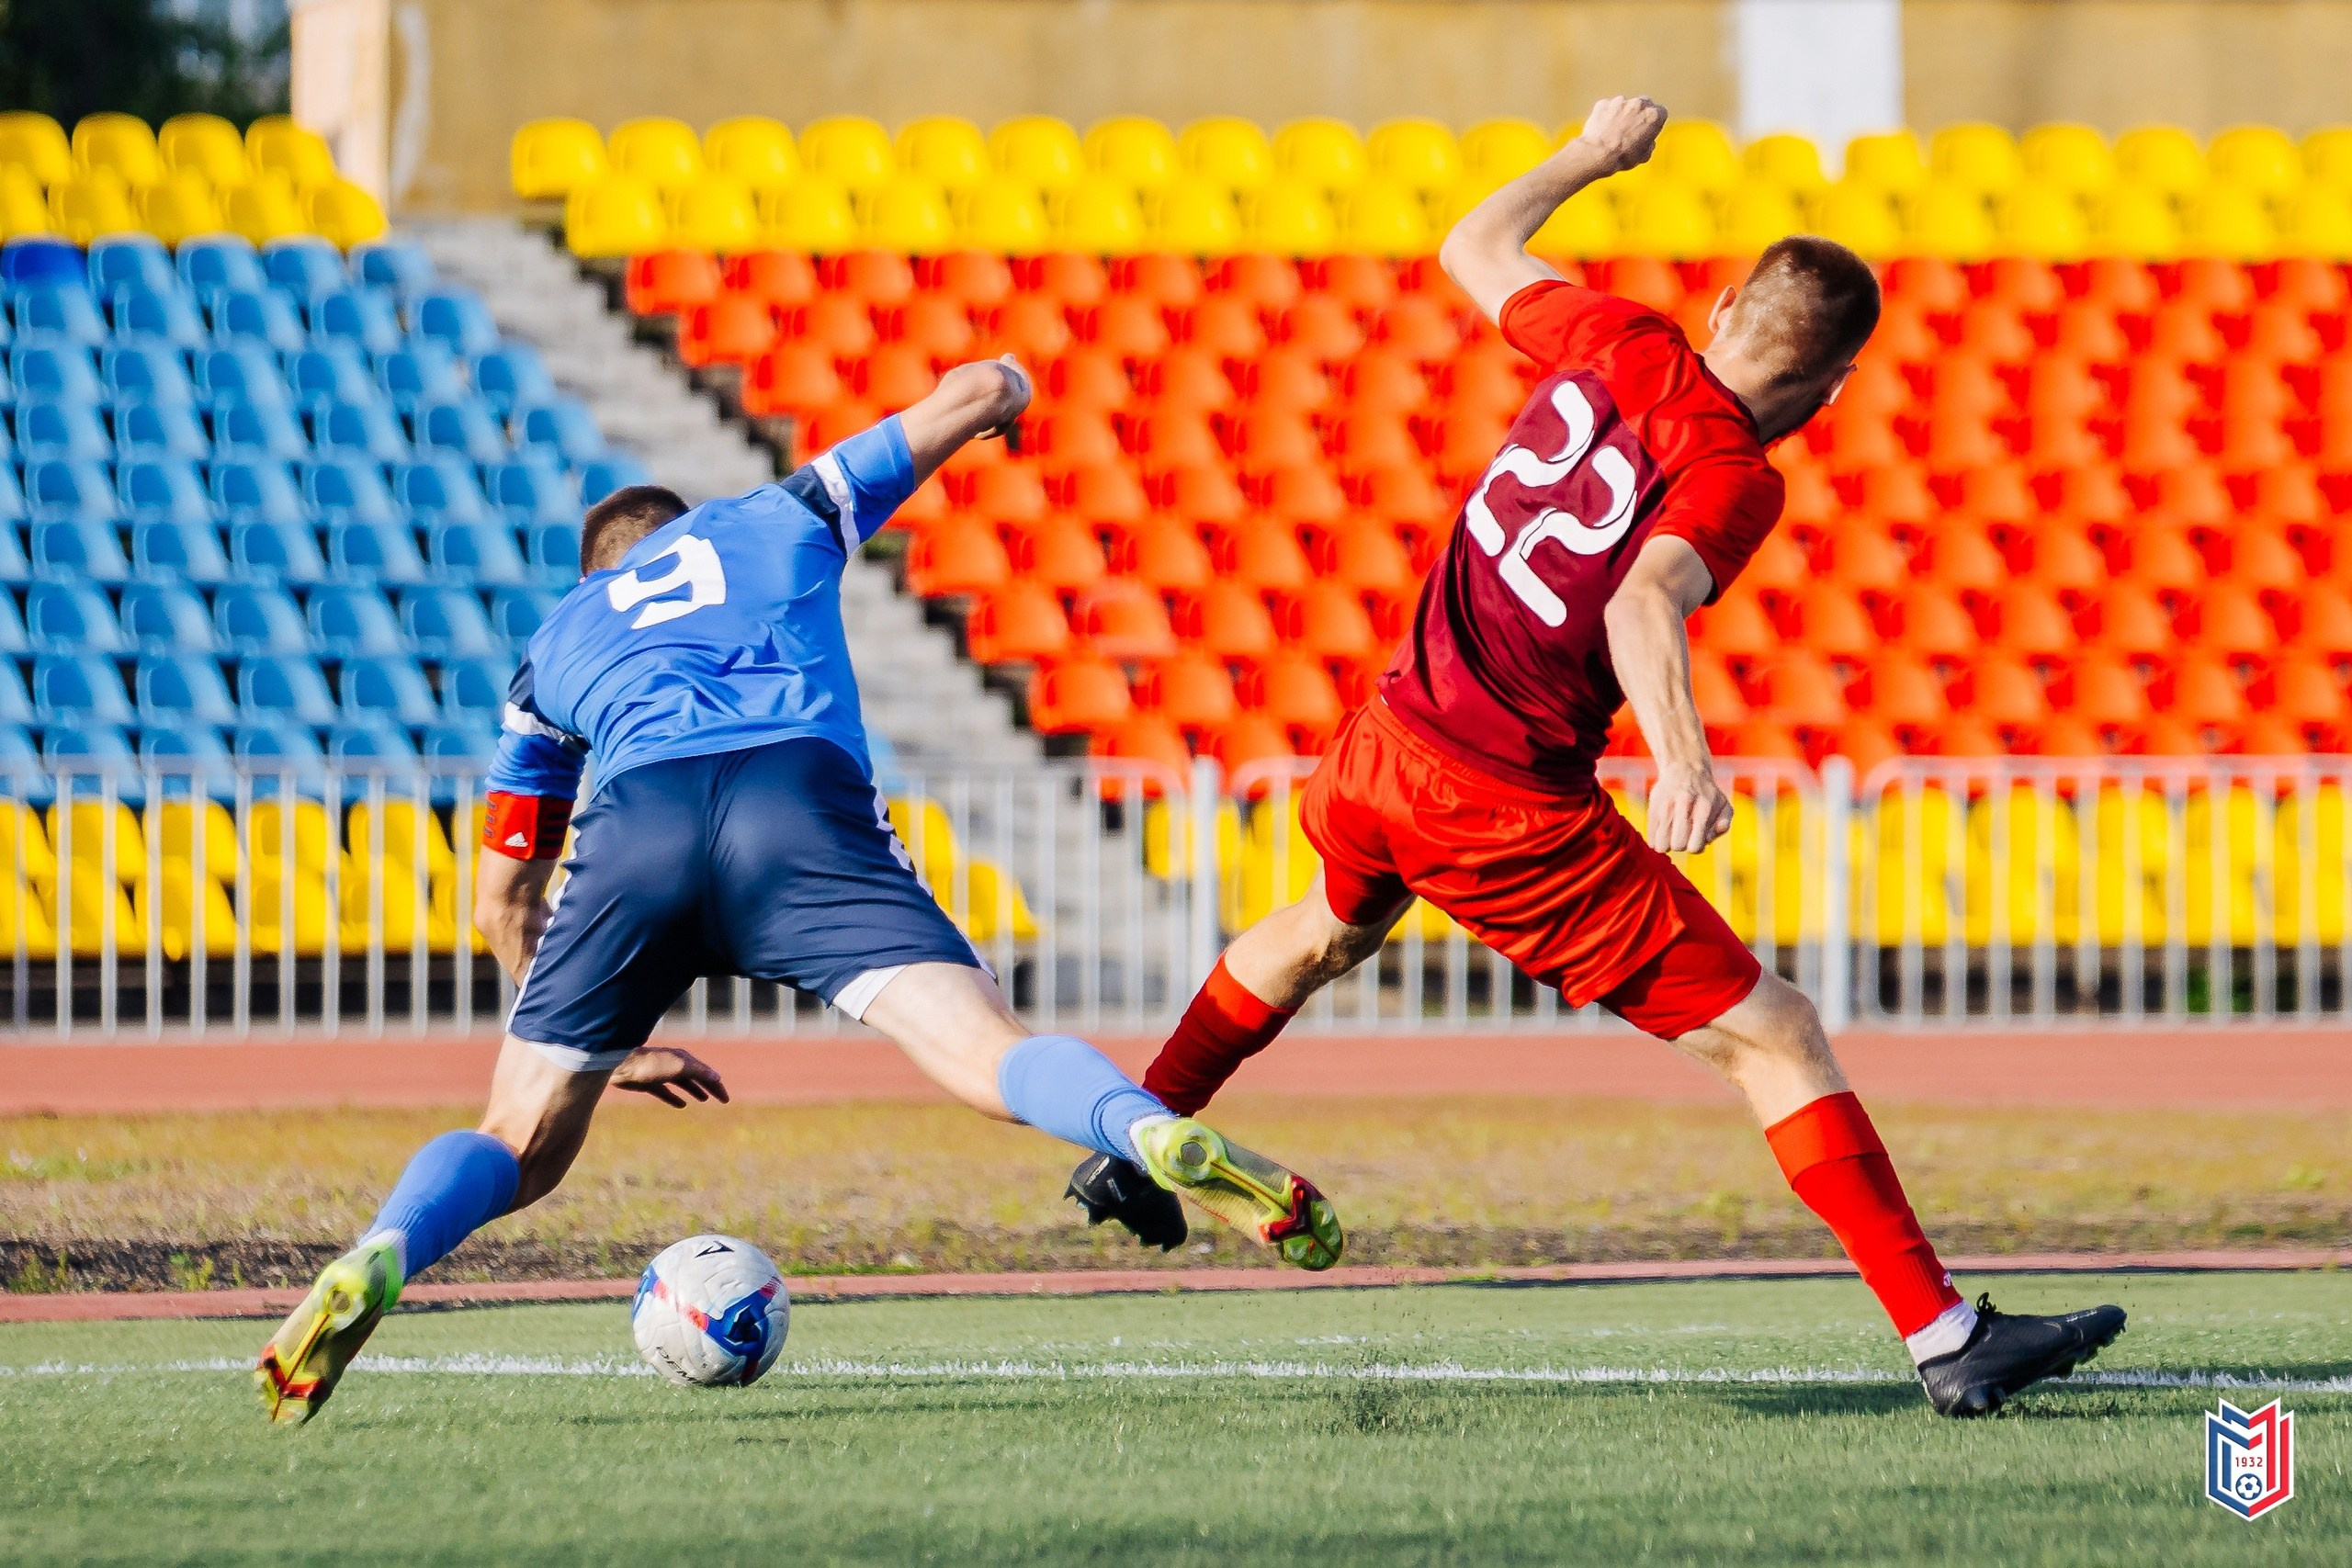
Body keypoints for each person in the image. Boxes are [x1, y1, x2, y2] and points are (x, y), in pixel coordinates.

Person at [1065, 97, 2124, 1418]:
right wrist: (1684, 757)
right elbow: (1640, 600)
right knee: (1778, 1032)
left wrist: (1591, 156)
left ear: (1726, 300)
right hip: (1498, 799)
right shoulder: (1734, 471)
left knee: (1317, 931)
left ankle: (1130, 1135)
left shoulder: (1618, 334)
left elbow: (1472, 243)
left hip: (1385, 736)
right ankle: (1945, 1331)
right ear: (1837, 386)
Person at [256, 358, 1343, 1426]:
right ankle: (1145, 1134)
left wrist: (610, 1044)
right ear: (685, 529)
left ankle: (382, 1250)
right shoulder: (777, 516)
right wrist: (1007, 389)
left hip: (635, 830)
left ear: (595, 572)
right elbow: (968, 394)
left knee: (518, 1140)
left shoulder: (550, 654)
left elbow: (501, 900)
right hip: (795, 803)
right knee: (986, 1052)